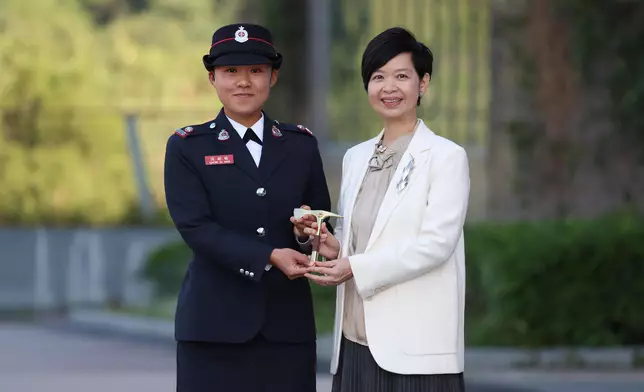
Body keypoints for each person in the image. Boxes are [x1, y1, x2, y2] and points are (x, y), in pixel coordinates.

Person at [296, 27, 470, 391]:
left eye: (401, 76)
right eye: (378, 77)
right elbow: (359, 240)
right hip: (354, 344)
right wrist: (331, 245)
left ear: (423, 84)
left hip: (416, 352)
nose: (388, 87)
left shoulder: (446, 157)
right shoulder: (356, 157)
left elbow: (435, 245)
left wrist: (353, 266)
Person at [163, 23, 332, 392]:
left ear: (273, 76)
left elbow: (319, 220)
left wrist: (309, 238)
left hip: (287, 329)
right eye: (231, 72)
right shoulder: (188, 147)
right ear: (212, 78)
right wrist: (270, 255)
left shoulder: (300, 145)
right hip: (212, 328)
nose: (244, 82)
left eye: (256, 71)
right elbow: (196, 228)